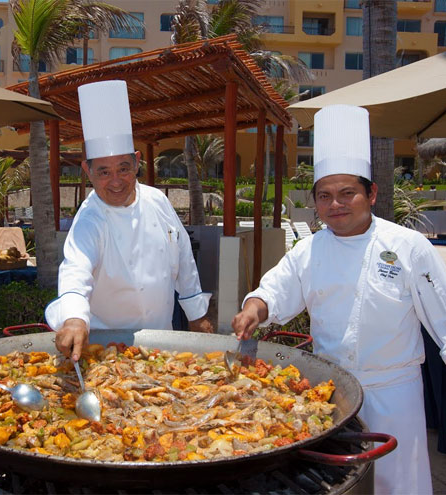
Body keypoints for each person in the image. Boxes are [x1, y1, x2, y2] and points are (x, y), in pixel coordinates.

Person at [231, 105, 446, 495]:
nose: (336, 205)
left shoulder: (408, 247)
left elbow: (443, 319)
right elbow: (275, 291)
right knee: (340, 483)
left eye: (348, 193)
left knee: (398, 482)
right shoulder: (308, 250)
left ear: (372, 193)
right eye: (326, 196)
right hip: (332, 393)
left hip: (394, 392)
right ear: (315, 202)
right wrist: (253, 309)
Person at [45, 80, 213, 361]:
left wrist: (196, 315)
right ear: (87, 170)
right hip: (104, 348)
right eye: (103, 172)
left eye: (123, 169)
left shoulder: (157, 200)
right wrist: (74, 318)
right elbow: (76, 271)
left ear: (136, 162)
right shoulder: (90, 218)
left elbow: (183, 257)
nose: (115, 182)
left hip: (162, 343)